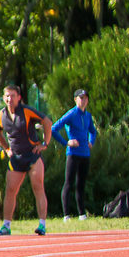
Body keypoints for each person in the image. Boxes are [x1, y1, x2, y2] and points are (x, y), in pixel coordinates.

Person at [0, 86, 50, 235]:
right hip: (16, 157)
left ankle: (42, 224)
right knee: (10, 190)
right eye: (7, 96)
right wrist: (6, 148)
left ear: (19, 97)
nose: (9, 99)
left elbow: (47, 122)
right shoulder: (2, 114)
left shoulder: (26, 111)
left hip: (32, 155)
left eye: (12, 96)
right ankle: (6, 226)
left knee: (38, 186)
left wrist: (45, 144)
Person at [52, 88, 97, 220]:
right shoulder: (71, 114)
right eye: (81, 98)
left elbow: (93, 131)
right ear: (75, 99)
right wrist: (67, 142)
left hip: (85, 154)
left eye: (85, 98)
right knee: (69, 183)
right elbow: (54, 128)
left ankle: (81, 213)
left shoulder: (87, 116)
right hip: (73, 153)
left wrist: (91, 142)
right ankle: (66, 214)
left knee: (81, 184)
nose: (83, 100)